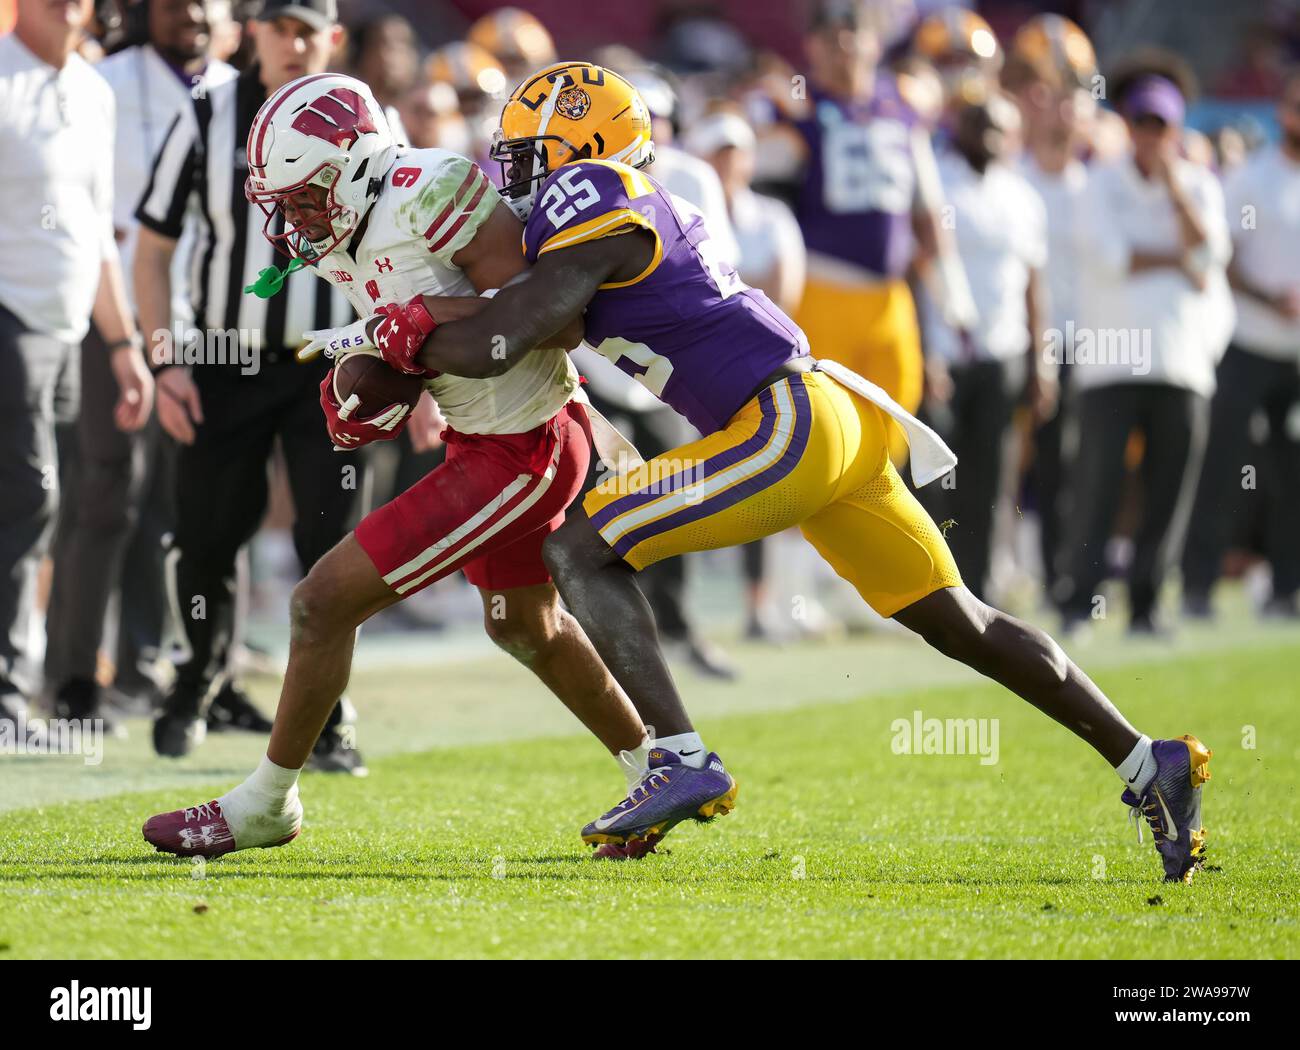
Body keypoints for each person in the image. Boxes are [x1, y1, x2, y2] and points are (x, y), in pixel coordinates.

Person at [374, 62, 1214, 883]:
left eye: (526, 149)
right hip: (828, 420)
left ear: (580, 144)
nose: (512, 167)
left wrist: (395, 338)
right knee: (960, 621)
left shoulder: (590, 189)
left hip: (784, 424)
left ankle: (679, 760)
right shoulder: (609, 210)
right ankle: (1151, 761)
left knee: (579, 549)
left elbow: (505, 336)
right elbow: (532, 324)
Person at [140, 72, 650, 859]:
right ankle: (660, 769)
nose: (297, 217)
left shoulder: (429, 190)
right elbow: (410, 335)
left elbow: (554, 319)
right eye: (286, 202)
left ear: (353, 164)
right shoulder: (342, 227)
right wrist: (379, 388)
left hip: (526, 442)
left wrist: (421, 323)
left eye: (307, 195)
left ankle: (267, 802)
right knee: (526, 627)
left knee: (319, 604)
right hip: (488, 436)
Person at [132, 0, 366, 765]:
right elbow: (154, 247)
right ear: (254, 31)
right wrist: (165, 359)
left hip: (332, 361)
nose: (295, 43)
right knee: (205, 535)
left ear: (331, 37)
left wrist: (416, 376)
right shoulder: (206, 110)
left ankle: (327, 716)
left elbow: (403, 243)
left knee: (331, 546)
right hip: (226, 357)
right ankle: (198, 678)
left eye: (309, 29)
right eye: (281, 27)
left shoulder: (362, 115)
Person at [43, 0, 237, 728]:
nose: (190, 11)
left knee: (180, 501)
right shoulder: (106, 81)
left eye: (205, 1)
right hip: (116, 316)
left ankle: (150, 666)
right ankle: (70, 679)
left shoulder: (237, 92)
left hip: (207, 323)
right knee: (105, 491)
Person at [0, 0, 153, 731]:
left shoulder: (94, 90)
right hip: (9, 319)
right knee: (29, 499)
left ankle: (37, 687)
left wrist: (123, 347)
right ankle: (5, 695)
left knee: (50, 508)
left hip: (69, 331)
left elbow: (95, 227)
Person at [1055, 70, 1232, 636]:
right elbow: (1110, 258)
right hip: (1110, 361)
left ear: (1176, 130)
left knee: (1167, 494)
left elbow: (1209, 259)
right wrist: (1175, 258)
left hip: (1181, 361)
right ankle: (1079, 599)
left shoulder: (1199, 185)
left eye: (1162, 126)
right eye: (1142, 123)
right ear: (1128, 127)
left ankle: (1148, 606)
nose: (1151, 136)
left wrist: (1175, 192)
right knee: (1098, 487)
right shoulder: (1098, 183)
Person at [920, 92, 1052, 603]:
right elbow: (922, 269)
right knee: (934, 475)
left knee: (992, 477)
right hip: (945, 352)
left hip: (1005, 350)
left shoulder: (1023, 196)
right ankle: (929, 588)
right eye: (981, 125)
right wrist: (927, 348)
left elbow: (1033, 285)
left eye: (1001, 127)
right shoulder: (938, 186)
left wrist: (1043, 363)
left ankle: (980, 587)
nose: (991, 137)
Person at [1182, 70, 1300, 619]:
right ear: (1284, 112)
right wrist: (1270, 297)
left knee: (1291, 471)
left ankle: (1286, 588)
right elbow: (1222, 258)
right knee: (1223, 465)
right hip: (1250, 342)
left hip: (1296, 354)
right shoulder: (1253, 179)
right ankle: (1197, 585)